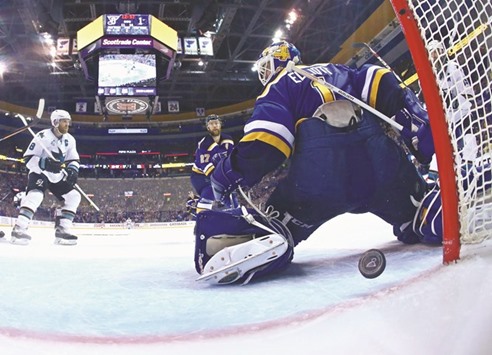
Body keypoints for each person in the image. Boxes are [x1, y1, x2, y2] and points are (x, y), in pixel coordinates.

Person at [193, 40, 436, 285]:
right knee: (416, 212)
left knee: (276, 228)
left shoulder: (280, 85)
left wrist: (225, 173)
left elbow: (265, 148)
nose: (265, 74)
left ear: (279, 60)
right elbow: (380, 77)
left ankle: (258, 240)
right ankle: (429, 213)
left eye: (266, 67)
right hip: (378, 165)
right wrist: (417, 119)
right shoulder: (338, 70)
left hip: (319, 178)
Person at [10, 109, 81, 245]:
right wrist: (44, 164)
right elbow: (28, 159)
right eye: (64, 121)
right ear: (55, 122)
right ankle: (19, 228)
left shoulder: (70, 140)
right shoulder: (42, 136)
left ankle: (62, 231)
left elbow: (73, 159)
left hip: (57, 176)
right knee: (36, 195)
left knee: (74, 196)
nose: (67, 125)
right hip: (40, 173)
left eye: (68, 122)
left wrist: (73, 171)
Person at [428, 39, 478, 162]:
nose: (434, 56)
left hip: (462, 115)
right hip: (448, 120)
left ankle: (469, 166)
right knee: (451, 151)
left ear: (442, 52)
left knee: (466, 146)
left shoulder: (452, 66)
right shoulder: (429, 75)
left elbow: (467, 92)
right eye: (431, 53)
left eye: (436, 52)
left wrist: (456, 99)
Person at [190, 114, 235, 212]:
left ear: (220, 125)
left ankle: (235, 213)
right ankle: (201, 217)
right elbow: (205, 166)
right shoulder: (204, 143)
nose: (214, 125)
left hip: (218, 173)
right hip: (200, 176)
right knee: (210, 192)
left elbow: (230, 160)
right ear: (208, 127)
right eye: (211, 124)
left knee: (230, 194)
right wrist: (221, 179)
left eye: (216, 123)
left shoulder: (228, 140)